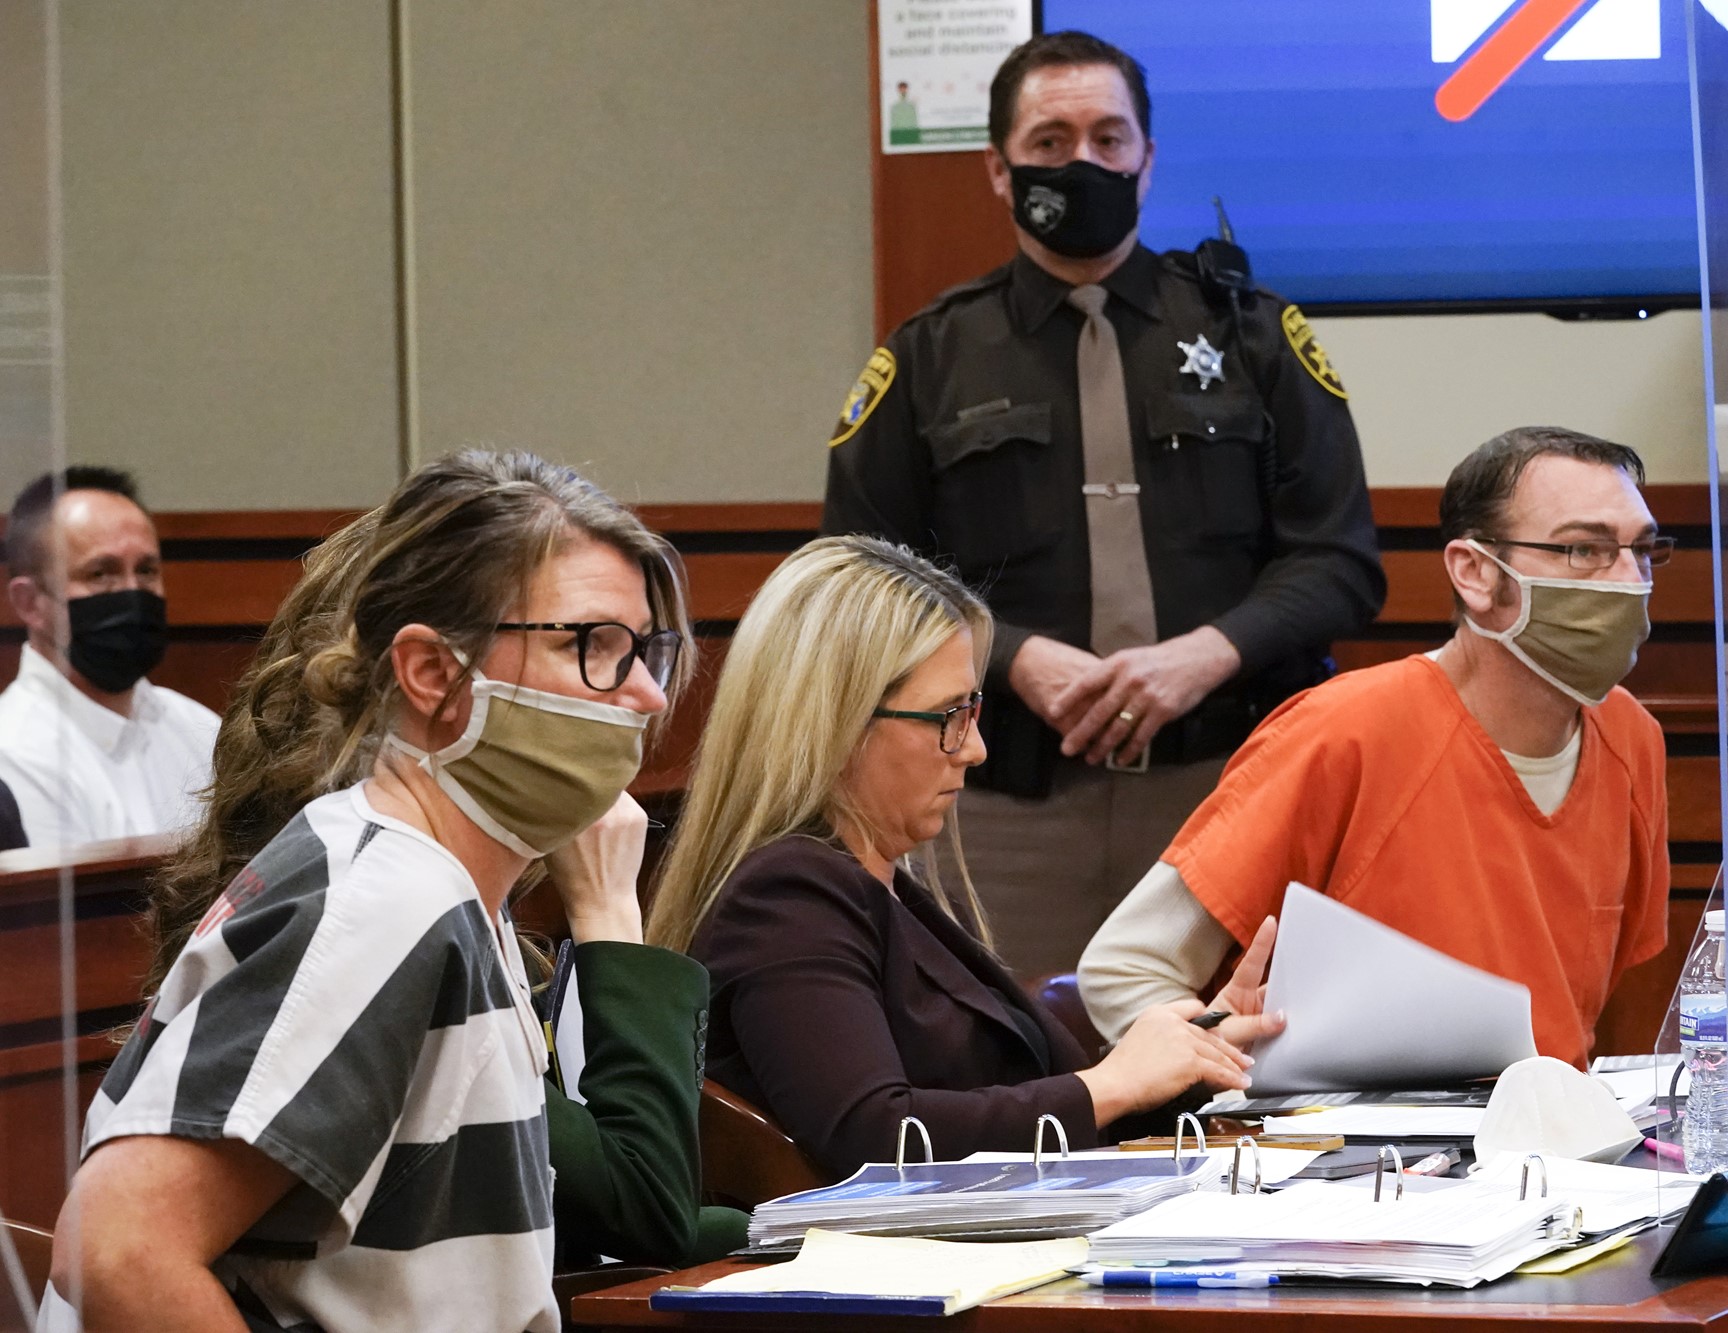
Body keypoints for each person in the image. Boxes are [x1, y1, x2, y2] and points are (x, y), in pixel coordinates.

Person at [43, 451, 725, 1333]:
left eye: (649, 652)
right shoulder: (383, 898)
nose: (642, 693)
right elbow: (115, 1250)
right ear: (434, 673)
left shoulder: (439, 891)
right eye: (590, 645)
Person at [822, 30, 1386, 980]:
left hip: (1230, 785)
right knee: (1012, 1069)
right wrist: (1010, 654)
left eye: (1108, 139)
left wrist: (1205, 655)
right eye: (1049, 142)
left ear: (1147, 160)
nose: (1082, 163)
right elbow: (856, 580)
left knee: (1248, 1072)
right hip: (1001, 803)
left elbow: (1340, 561)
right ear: (998, 170)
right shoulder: (928, 357)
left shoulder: (1254, 334)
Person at [646, 535, 1282, 1180]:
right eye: (950, 715)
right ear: (837, 721)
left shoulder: (886, 887)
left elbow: (1032, 1110)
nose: (973, 749)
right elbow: (871, 1135)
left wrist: (1186, 1062)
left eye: (974, 710)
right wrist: (1113, 1082)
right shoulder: (788, 894)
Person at [1078, 427, 1672, 1070]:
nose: (1628, 580)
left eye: (1641, 551)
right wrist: (1226, 1075)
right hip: (1356, 1155)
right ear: (1474, 572)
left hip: (1548, 1147)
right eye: (1583, 549)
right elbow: (1125, 969)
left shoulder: (1633, 740)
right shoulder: (1345, 730)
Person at [0, 466, 221, 849]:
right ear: (29, 602)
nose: (133, 594)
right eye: (101, 574)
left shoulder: (201, 730)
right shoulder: (12, 752)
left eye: (147, 570)